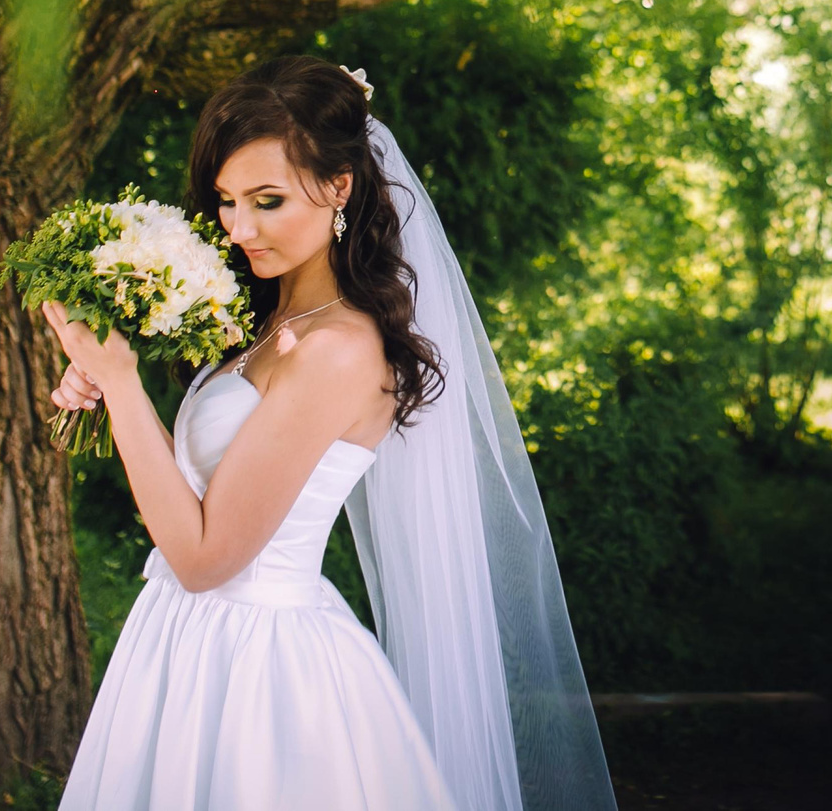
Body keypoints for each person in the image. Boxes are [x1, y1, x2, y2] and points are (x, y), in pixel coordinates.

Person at [41, 57, 614, 811]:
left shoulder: (339, 348)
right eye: (226, 201)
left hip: (260, 671)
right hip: (185, 639)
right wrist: (106, 385)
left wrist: (121, 386)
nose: (239, 229)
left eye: (268, 200)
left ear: (340, 186)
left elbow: (208, 557)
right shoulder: (266, 325)